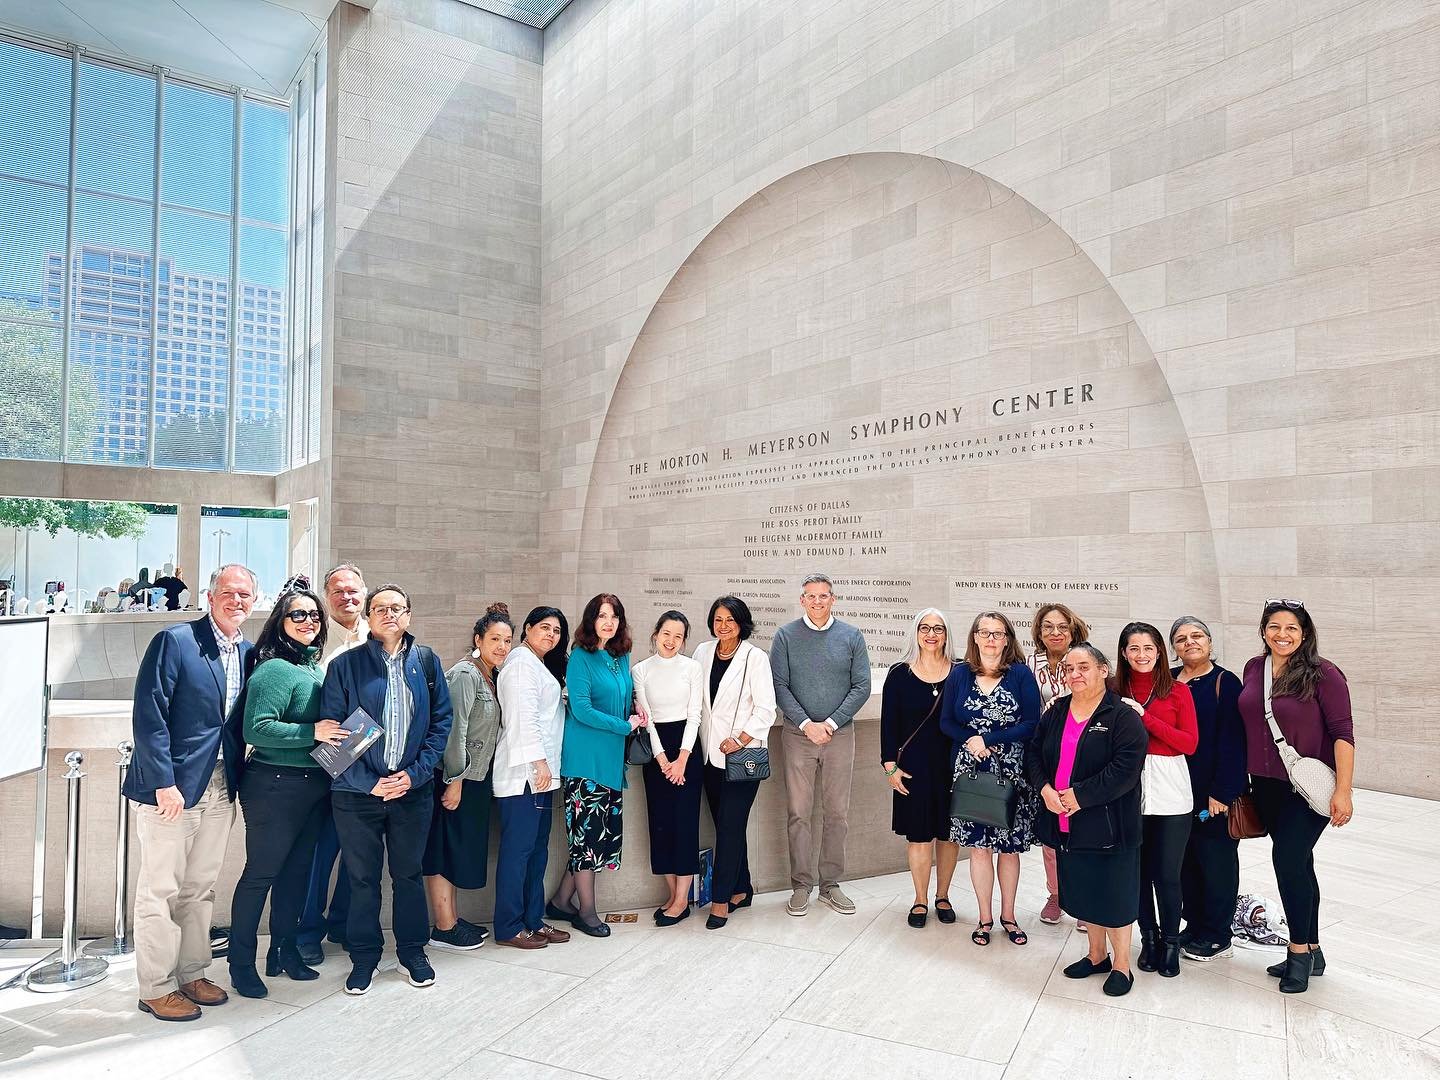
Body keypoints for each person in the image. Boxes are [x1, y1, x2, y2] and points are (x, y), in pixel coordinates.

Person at [125, 564, 257, 1022]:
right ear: (209, 595)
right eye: (229, 592)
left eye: (245, 595)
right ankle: (155, 986)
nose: (236, 601)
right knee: (160, 890)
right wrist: (164, 782)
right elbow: (149, 715)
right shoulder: (176, 641)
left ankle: (192, 972)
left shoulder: (249, 651)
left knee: (200, 889)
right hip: (174, 790)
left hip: (222, 788)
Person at [320, 584, 451, 995]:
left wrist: (414, 775)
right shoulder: (346, 665)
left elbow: (441, 724)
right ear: (369, 616)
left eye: (397, 608)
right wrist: (369, 782)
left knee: (408, 875)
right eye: (380, 608)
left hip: (412, 792)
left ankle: (412, 951)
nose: (389, 614)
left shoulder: (427, 663)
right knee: (362, 878)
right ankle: (364, 957)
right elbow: (332, 734)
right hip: (357, 795)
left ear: (409, 614)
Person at [227, 582, 346, 999]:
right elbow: (256, 728)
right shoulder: (275, 668)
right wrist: (312, 731)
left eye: (314, 615)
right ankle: (240, 962)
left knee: (296, 877)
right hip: (274, 785)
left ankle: (283, 950)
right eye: (298, 614)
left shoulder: (312, 668)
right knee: (261, 875)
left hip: (313, 784)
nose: (308, 621)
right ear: (280, 621)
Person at [1239, 599, 1355, 994]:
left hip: (1308, 788)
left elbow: (1343, 733)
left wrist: (1343, 790)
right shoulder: (1255, 669)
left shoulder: (1325, 674)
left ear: (1304, 633)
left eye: (1291, 628)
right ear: (1264, 630)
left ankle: (1299, 952)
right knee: (1299, 864)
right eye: (1274, 626)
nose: (1282, 634)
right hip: (1265, 785)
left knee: (1287, 860)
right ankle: (1316, 950)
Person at [1027, 643, 1147, 998]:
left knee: (1115, 894)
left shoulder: (1121, 716)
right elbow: (1034, 753)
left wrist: (1080, 796)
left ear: (1102, 670)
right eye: (1069, 669)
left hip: (1110, 825)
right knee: (1085, 891)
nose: (1074, 674)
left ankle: (1122, 966)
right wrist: (1045, 788)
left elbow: (1126, 768)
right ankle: (1096, 956)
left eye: (1083, 667)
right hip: (1065, 822)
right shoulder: (1057, 711)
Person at [771, 574, 872, 917]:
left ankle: (830, 885)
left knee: (837, 814)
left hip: (839, 736)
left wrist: (828, 724)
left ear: (833, 599)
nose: (817, 601)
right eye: (811, 596)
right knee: (798, 814)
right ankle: (801, 885)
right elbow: (780, 685)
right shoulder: (785, 636)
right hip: (797, 737)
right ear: (802, 600)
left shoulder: (851, 636)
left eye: (824, 596)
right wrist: (806, 724)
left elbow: (861, 686)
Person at [941, 611, 1042, 947]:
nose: (991, 639)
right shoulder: (959, 674)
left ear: (1008, 639)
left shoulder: (1020, 675)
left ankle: (1009, 916)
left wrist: (989, 740)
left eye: (998, 633)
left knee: (1009, 850)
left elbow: (1031, 723)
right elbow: (947, 722)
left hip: (1010, 772)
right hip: (970, 771)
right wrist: (973, 739)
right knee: (979, 849)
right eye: (985, 633)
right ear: (975, 637)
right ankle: (984, 918)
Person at [547, 594, 645, 938]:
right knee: (586, 841)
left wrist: (636, 710)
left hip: (610, 762)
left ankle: (560, 901)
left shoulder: (621, 656)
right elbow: (582, 709)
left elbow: (623, 697)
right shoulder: (580, 658)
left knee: (595, 840)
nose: (609, 621)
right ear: (591, 620)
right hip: (584, 762)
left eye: (614, 615)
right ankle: (587, 913)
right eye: (602, 615)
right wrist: (624, 726)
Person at [423, 603, 512, 951]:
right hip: (455, 777)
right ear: (478, 638)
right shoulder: (465, 674)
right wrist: (455, 779)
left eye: (507, 640)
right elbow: (454, 729)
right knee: (443, 850)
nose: (502, 646)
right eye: (494, 638)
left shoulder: (491, 674)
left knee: (457, 849)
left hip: (476, 778)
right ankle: (443, 927)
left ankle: (453, 919)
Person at [1113, 621, 1198, 978]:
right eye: (1134, 649)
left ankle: (1170, 943)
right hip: (1129, 788)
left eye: (1149, 648)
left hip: (1171, 788)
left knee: (1167, 873)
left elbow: (1188, 743)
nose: (1142, 655)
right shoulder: (1113, 689)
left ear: (1160, 651)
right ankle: (1147, 939)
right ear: (1123, 653)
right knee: (1138, 872)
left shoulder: (1178, 691)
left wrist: (1145, 718)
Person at [295, 562, 368, 966]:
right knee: (321, 851)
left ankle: (343, 922)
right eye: (338, 591)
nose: (346, 597)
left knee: (358, 850)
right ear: (327, 596)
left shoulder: (378, 636)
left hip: (368, 757)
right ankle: (308, 929)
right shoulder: (314, 640)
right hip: (325, 760)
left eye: (353, 590)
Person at [695, 596, 776, 930]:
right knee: (727, 826)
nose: (723, 626)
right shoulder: (701, 652)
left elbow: (766, 709)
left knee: (728, 828)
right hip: (708, 756)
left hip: (742, 757)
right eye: (718, 619)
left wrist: (740, 738)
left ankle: (720, 900)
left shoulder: (754, 658)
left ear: (742, 623)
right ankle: (742, 889)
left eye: (730, 620)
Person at [493, 607, 572, 950]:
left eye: (556, 631)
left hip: (541, 776)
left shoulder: (536, 665)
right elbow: (522, 718)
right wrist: (538, 763)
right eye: (544, 627)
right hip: (525, 776)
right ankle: (509, 925)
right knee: (518, 852)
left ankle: (532, 920)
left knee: (536, 851)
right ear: (527, 628)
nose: (551, 635)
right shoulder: (521, 663)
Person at [1171, 617, 1246, 963]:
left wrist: (1223, 791)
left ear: (1210, 642)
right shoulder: (1169, 680)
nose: (1190, 642)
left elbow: (1234, 740)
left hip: (1212, 793)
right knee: (1185, 860)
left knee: (1216, 861)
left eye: (1196, 635)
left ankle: (1218, 933)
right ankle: (1195, 922)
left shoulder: (1224, 683)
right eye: (1181, 638)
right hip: (1174, 790)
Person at [880, 608, 958, 929]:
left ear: (946, 634)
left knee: (948, 835)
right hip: (913, 769)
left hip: (953, 768)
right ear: (915, 632)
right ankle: (920, 899)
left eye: (938, 629)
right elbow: (889, 724)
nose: (931, 634)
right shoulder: (900, 673)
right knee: (919, 836)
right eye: (924, 628)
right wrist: (890, 767)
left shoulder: (961, 672)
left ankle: (943, 896)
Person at [633, 610, 704, 926]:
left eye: (679, 636)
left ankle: (681, 900)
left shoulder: (692, 668)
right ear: (655, 634)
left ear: (684, 639)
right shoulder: (640, 670)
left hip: (687, 752)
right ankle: (673, 893)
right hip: (655, 752)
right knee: (660, 823)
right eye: (667, 634)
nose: (672, 641)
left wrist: (682, 760)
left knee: (685, 824)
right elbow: (646, 717)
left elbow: (695, 716)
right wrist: (663, 761)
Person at [1028, 603, 1089, 927]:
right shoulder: (1029, 663)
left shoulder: (1084, 660)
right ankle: (1056, 894)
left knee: (1079, 827)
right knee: (1052, 832)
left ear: (1072, 629)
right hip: (1046, 755)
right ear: (1039, 631)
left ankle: (1082, 897)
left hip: (1081, 754)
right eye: (1048, 626)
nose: (1055, 632)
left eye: (1062, 626)